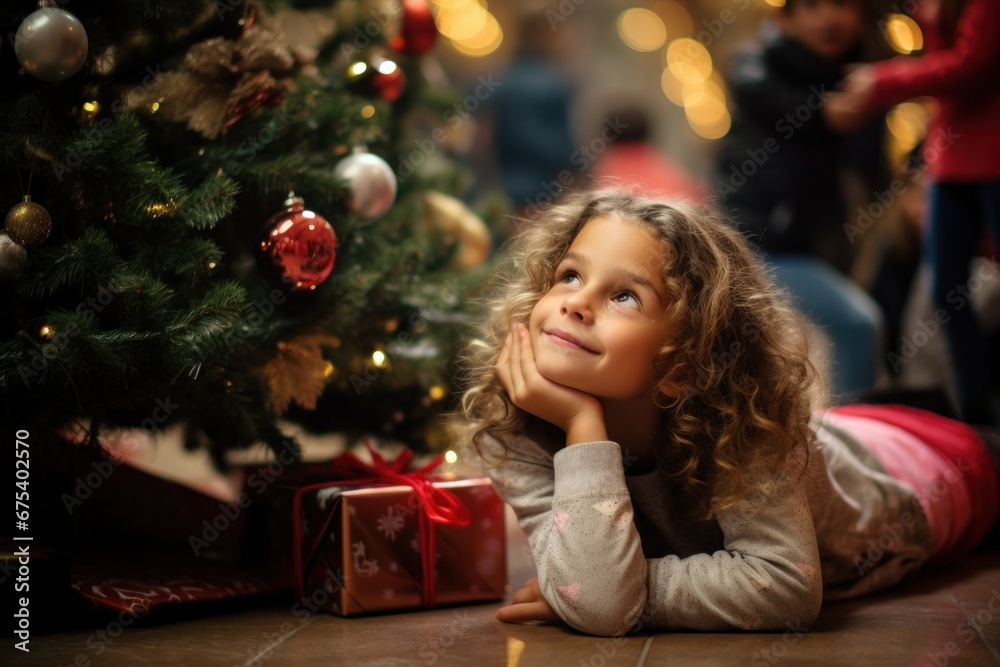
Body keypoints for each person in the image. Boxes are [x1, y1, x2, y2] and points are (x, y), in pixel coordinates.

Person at [460, 190, 1000, 636]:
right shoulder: (518, 430)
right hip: (841, 438)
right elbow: (599, 600)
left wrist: (617, 590)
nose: (576, 302)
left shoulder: (742, 425)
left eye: (625, 296)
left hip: (923, 471)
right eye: (570, 275)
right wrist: (583, 428)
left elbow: (785, 586)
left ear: (685, 366)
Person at [828, 0, 1000, 424]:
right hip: (949, 154)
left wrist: (881, 81)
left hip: (992, 148)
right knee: (946, 289)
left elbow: (971, 64)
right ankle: (974, 415)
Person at [715, 0, 889, 398]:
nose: (831, 17)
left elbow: (869, 168)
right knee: (857, 324)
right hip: (755, 245)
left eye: (842, 5)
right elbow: (757, 89)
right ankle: (854, 434)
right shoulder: (760, 64)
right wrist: (824, 112)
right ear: (785, 22)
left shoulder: (860, 78)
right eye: (813, 6)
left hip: (807, 246)